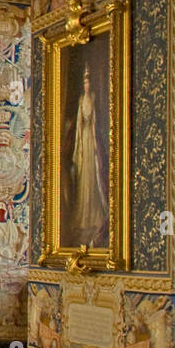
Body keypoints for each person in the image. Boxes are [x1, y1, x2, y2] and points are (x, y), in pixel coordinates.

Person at [69, 64, 109, 246]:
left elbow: (94, 121)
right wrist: (79, 144)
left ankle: (93, 214)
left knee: (92, 176)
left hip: (90, 138)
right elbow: (79, 122)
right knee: (83, 176)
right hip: (83, 139)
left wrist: (93, 139)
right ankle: (83, 216)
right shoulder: (80, 100)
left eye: (88, 83)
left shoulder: (92, 98)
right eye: (84, 83)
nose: (86, 86)